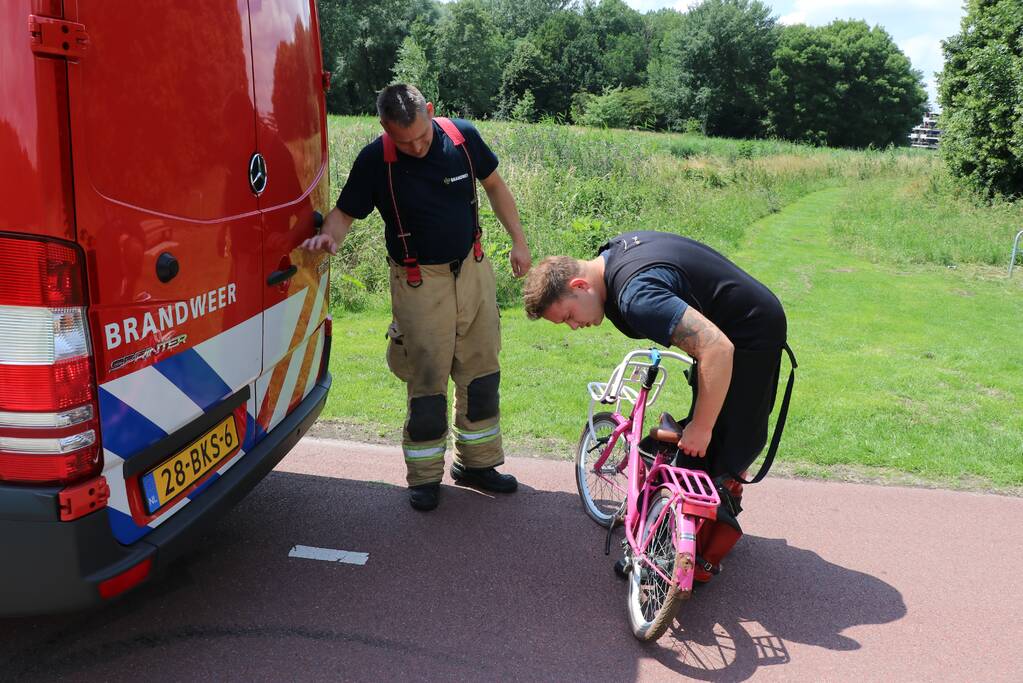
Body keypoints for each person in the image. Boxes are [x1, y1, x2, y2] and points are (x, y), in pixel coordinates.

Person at [301, 84, 531, 512]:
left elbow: (496, 187)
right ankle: (425, 477)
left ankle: (477, 463)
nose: (416, 147)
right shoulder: (375, 160)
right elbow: (345, 213)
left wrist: (519, 241)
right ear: (385, 128)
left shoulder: (462, 138)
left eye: (422, 136)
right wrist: (328, 239)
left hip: (474, 269)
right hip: (418, 282)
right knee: (426, 380)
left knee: (482, 372)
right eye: (403, 141)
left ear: (430, 111)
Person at [522, 230, 795, 581]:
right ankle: (687, 526)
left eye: (568, 316)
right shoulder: (612, 254)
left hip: (750, 336)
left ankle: (688, 554)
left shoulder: (637, 297)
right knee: (707, 436)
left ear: (579, 285)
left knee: (721, 450)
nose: (575, 326)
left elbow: (717, 349)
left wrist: (701, 426)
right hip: (731, 326)